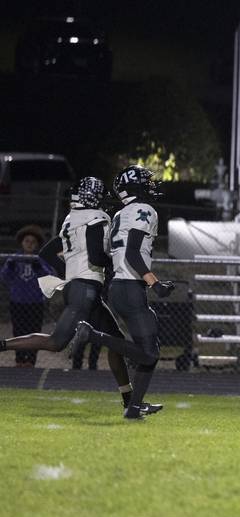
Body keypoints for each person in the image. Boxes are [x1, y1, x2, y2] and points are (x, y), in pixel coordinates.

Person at [0, 179, 152, 415]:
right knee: (56, 342)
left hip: (81, 286)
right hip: (85, 289)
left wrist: (70, 275)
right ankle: (2, 345)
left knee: (115, 341)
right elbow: (95, 255)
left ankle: (130, 401)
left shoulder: (72, 219)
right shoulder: (97, 218)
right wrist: (115, 260)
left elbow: (47, 252)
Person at [71, 166, 175, 420]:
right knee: (149, 353)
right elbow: (132, 254)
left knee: (149, 351)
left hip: (119, 285)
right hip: (130, 286)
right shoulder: (145, 210)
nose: (151, 185)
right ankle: (94, 335)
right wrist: (155, 283)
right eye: (146, 182)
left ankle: (134, 407)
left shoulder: (121, 213)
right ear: (136, 186)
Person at [0, 225, 53, 367]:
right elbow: (5, 278)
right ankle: (19, 359)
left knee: (34, 331)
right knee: (18, 331)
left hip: (35, 302)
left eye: (33, 242)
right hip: (17, 302)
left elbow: (49, 277)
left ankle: (30, 360)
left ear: (37, 245)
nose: (29, 244)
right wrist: (10, 267)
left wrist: (38, 267)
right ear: (22, 243)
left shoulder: (39, 260)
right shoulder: (15, 259)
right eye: (27, 241)